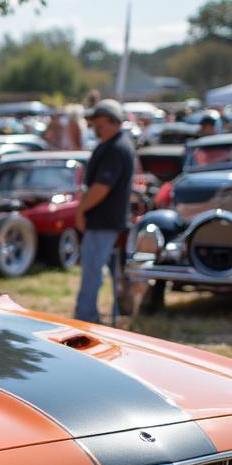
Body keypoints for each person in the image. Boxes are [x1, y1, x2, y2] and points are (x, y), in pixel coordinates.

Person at [74, 99, 135, 324]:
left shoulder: (116, 148)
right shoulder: (113, 144)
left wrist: (81, 210)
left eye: (99, 123)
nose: (95, 128)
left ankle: (86, 317)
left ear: (112, 121)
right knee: (104, 272)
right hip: (104, 220)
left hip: (103, 221)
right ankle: (100, 314)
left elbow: (101, 187)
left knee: (92, 271)